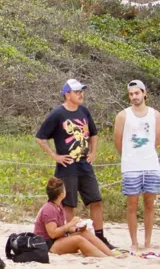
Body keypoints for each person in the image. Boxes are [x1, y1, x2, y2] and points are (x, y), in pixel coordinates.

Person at [35, 78, 114, 249]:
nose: (80, 94)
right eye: (77, 92)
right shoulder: (58, 114)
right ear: (67, 94)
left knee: (96, 200)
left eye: (81, 91)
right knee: (69, 203)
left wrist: (93, 152)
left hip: (85, 165)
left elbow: (93, 133)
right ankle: (72, 235)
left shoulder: (84, 111)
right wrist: (55, 156)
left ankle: (100, 237)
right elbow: (40, 137)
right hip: (67, 167)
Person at [113, 80, 160, 250]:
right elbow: (117, 140)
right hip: (131, 166)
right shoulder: (122, 115)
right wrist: (128, 156)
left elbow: (156, 140)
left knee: (149, 204)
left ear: (144, 93)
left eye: (137, 93)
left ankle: (148, 241)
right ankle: (134, 241)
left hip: (151, 164)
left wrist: (145, 154)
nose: (134, 96)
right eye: (131, 94)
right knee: (132, 204)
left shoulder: (155, 115)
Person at [34, 177, 113, 258]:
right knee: (78, 239)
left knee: (85, 233)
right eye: (64, 189)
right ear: (61, 194)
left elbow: (62, 229)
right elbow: (53, 234)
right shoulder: (49, 209)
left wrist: (76, 229)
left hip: (57, 239)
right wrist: (71, 223)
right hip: (48, 244)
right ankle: (103, 257)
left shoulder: (58, 205)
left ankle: (111, 255)